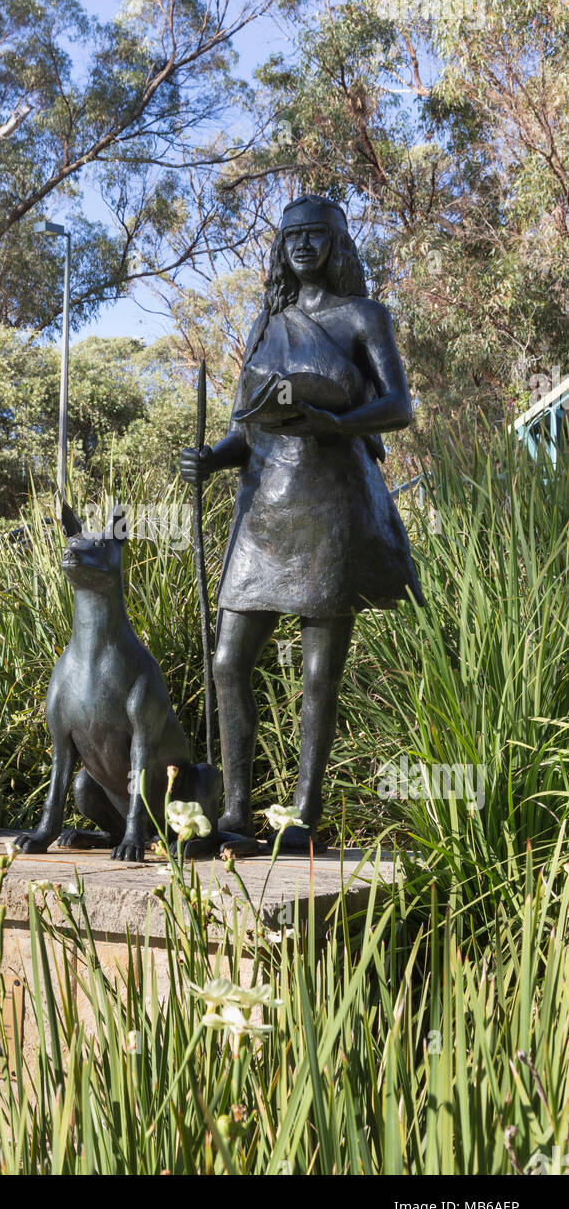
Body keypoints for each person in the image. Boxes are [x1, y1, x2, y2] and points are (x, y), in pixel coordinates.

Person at [180, 194, 422, 851]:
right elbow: (245, 429)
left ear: (338, 245)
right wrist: (210, 460)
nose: (304, 246)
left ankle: (303, 816)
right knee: (229, 661)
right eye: (293, 236)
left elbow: (398, 405)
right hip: (264, 510)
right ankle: (234, 813)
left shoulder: (363, 317)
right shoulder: (267, 322)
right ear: (281, 246)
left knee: (321, 673)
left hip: (332, 502)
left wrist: (339, 423)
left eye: (317, 235)